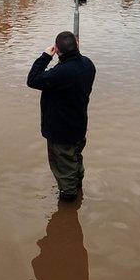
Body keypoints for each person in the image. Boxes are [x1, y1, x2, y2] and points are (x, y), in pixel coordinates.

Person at [26, 31, 96, 201]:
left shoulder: (61, 73)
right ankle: (78, 190)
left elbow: (32, 79)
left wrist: (45, 56)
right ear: (77, 44)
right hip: (78, 126)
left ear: (57, 49)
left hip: (61, 132)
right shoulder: (88, 64)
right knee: (76, 160)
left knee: (64, 169)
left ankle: (68, 205)